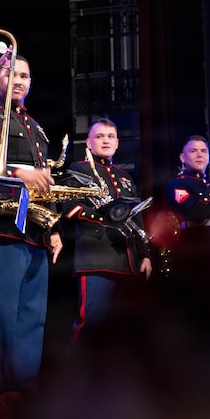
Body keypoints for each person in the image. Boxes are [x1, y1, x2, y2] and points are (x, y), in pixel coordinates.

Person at [0, 53, 63, 400]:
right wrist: (21, 173)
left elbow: (44, 183)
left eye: (25, 76)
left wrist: (53, 230)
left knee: (31, 320)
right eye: (12, 75)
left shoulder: (35, 127)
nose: (19, 81)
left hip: (33, 230)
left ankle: (22, 396)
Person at [59, 118, 152, 346]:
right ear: (89, 143)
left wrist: (145, 254)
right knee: (91, 322)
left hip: (126, 259)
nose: (106, 141)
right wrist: (106, 217)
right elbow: (71, 209)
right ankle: (76, 376)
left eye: (110, 136)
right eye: (100, 136)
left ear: (118, 143)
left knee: (124, 328)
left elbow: (137, 218)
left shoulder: (125, 177)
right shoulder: (78, 169)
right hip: (96, 256)